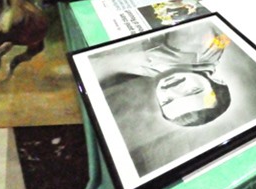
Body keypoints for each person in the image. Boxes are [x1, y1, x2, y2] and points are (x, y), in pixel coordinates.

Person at [99, 23, 232, 127]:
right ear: (216, 80)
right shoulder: (198, 47)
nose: (172, 89)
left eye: (167, 101)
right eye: (192, 91)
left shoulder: (161, 71)